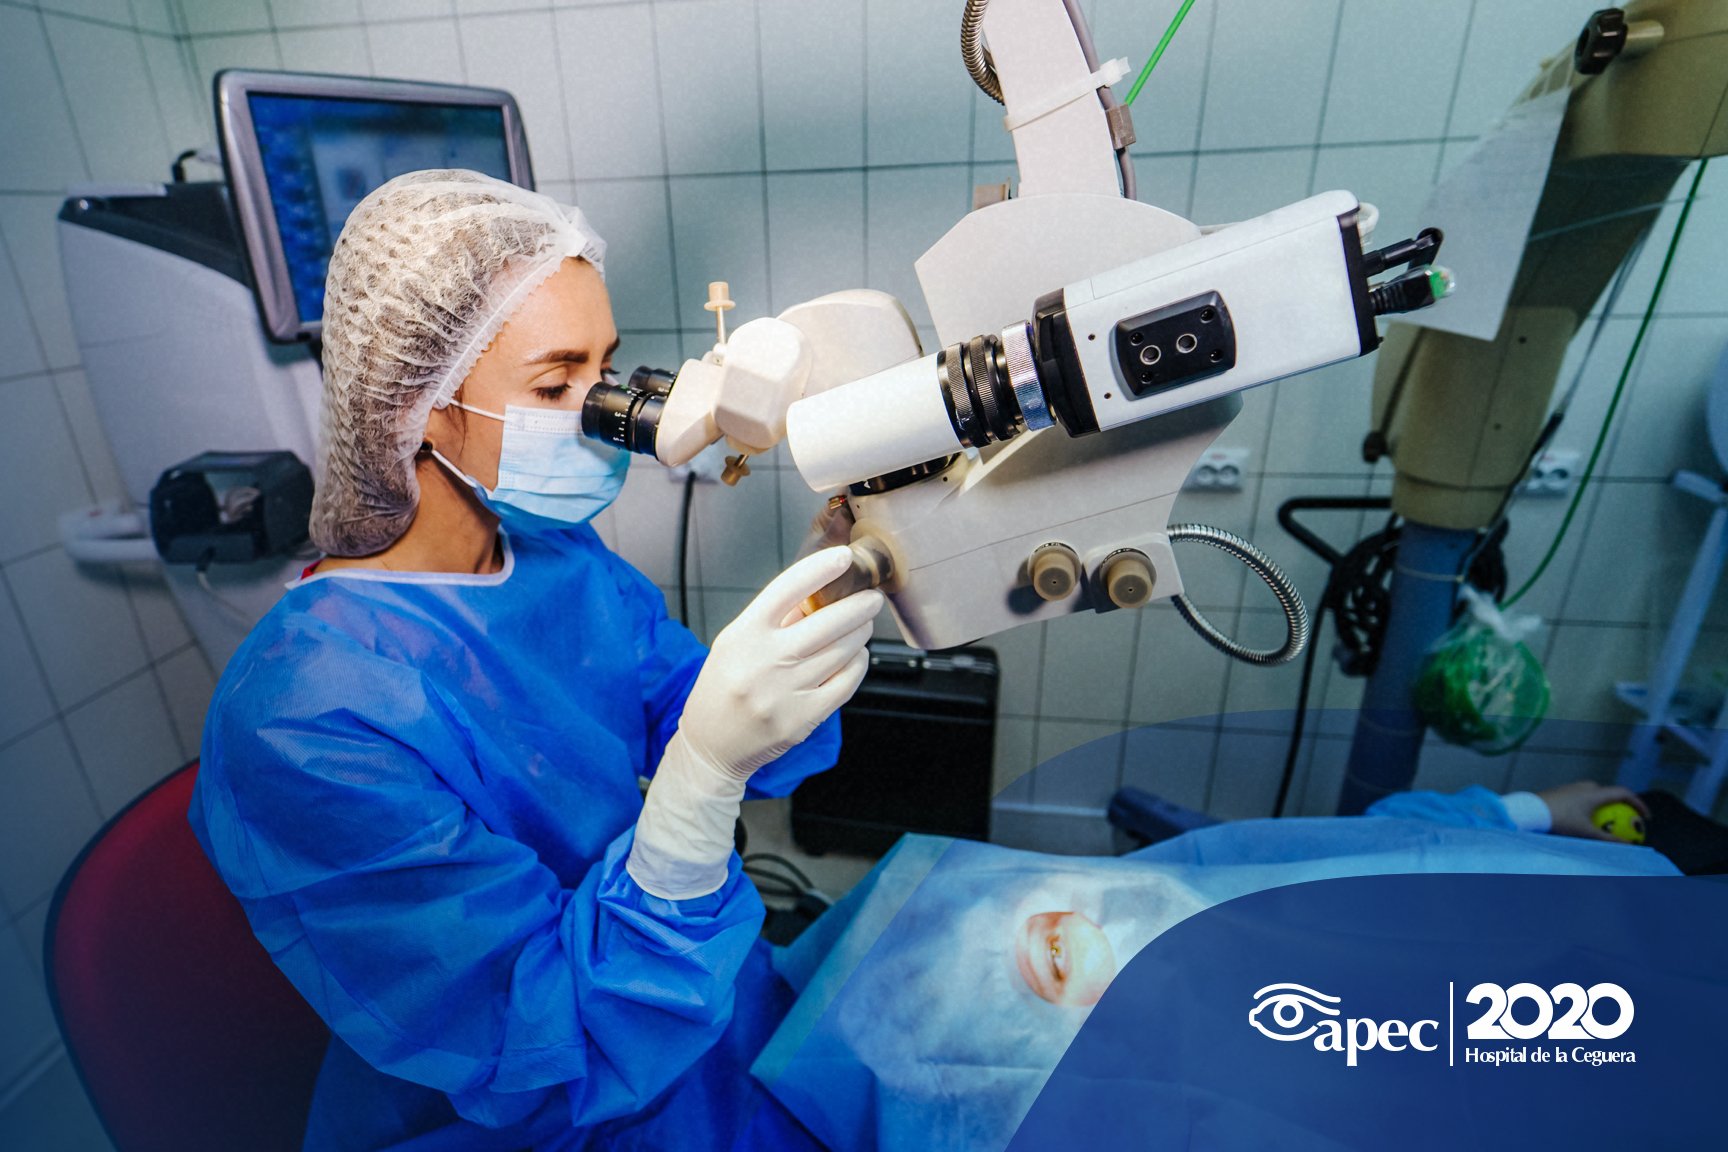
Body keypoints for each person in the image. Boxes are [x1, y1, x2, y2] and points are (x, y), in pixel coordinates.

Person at [189, 169, 883, 1151]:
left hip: (682, 1010)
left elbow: (743, 733)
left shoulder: (555, 558)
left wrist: (828, 592)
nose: (603, 409)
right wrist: (696, 782)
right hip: (528, 1101)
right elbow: (543, 1038)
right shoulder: (304, 715)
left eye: (604, 366)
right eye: (556, 384)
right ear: (420, 405)